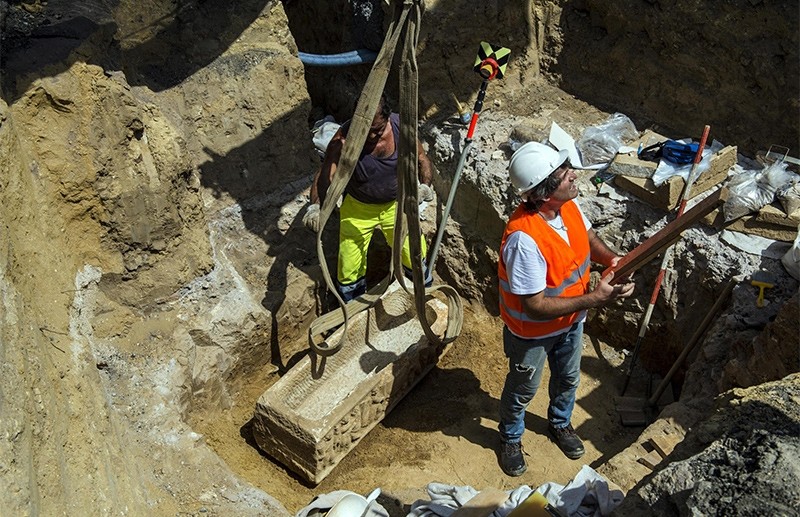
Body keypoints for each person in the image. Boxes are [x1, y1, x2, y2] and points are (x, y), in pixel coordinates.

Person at [497, 141, 635, 476]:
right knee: (523, 388)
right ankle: (511, 437)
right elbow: (535, 306)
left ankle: (560, 424)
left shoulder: (567, 206)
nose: (573, 175)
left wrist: (613, 260)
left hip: (571, 322)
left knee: (568, 378)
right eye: (564, 173)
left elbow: (588, 237)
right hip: (533, 333)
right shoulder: (524, 240)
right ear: (545, 193)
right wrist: (596, 299)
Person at [303, 95, 435, 301]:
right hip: (358, 208)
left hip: (395, 204)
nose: (372, 136)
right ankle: (353, 308)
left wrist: (425, 186)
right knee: (349, 265)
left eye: (378, 129)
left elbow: (421, 159)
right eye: (367, 130)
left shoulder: (402, 128)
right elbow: (325, 174)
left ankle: (423, 294)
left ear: (388, 118)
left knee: (413, 252)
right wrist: (315, 206)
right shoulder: (344, 139)